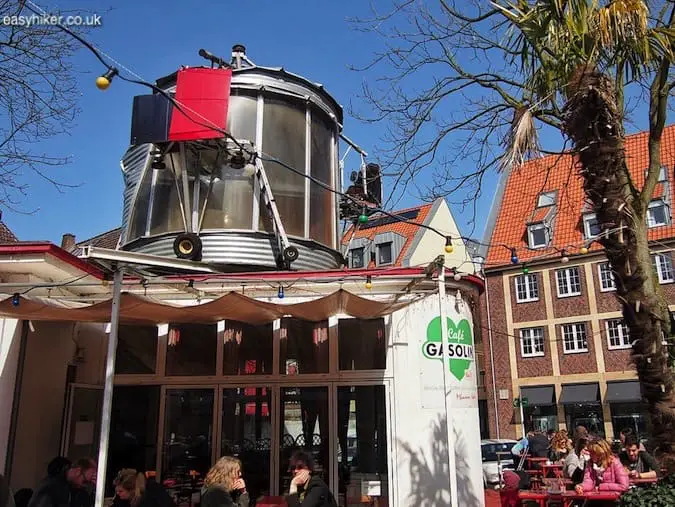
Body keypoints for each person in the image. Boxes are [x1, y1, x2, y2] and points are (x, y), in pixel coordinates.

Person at [28, 458, 96, 507]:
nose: (83, 485)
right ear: (78, 471)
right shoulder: (56, 487)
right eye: (85, 481)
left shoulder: (66, 486)